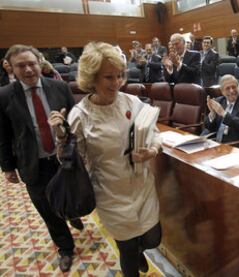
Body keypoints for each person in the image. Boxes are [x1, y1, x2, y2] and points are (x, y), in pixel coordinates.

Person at [48, 42, 162, 277]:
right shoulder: (80, 115)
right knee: (127, 251)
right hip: (111, 194)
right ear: (92, 79)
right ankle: (132, 254)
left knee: (153, 238)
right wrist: (61, 135)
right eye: (109, 77)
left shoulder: (132, 102)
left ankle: (140, 248)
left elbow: (154, 131)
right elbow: (71, 159)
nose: (117, 82)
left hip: (143, 187)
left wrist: (153, 150)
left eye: (120, 75)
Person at [0, 44, 82, 272]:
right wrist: (7, 167)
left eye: (31, 63)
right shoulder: (4, 96)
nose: (28, 69)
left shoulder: (60, 87)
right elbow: (3, 135)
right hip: (32, 163)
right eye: (21, 66)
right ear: (12, 69)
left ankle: (71, 213)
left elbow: (76, 124)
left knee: (70, 195)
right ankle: (65, 247)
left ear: (40, 62)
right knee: (46, 208)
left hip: (63, 159)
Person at [202, 74, 239, 143]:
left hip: (233, 143)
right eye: (227, 88)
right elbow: (209, 127)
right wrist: (212, 113)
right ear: (222, 91)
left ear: (238, 87)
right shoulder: (219, 101)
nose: (232, 91)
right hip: (214, 140)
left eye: (234, 87)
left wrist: (223, 113)